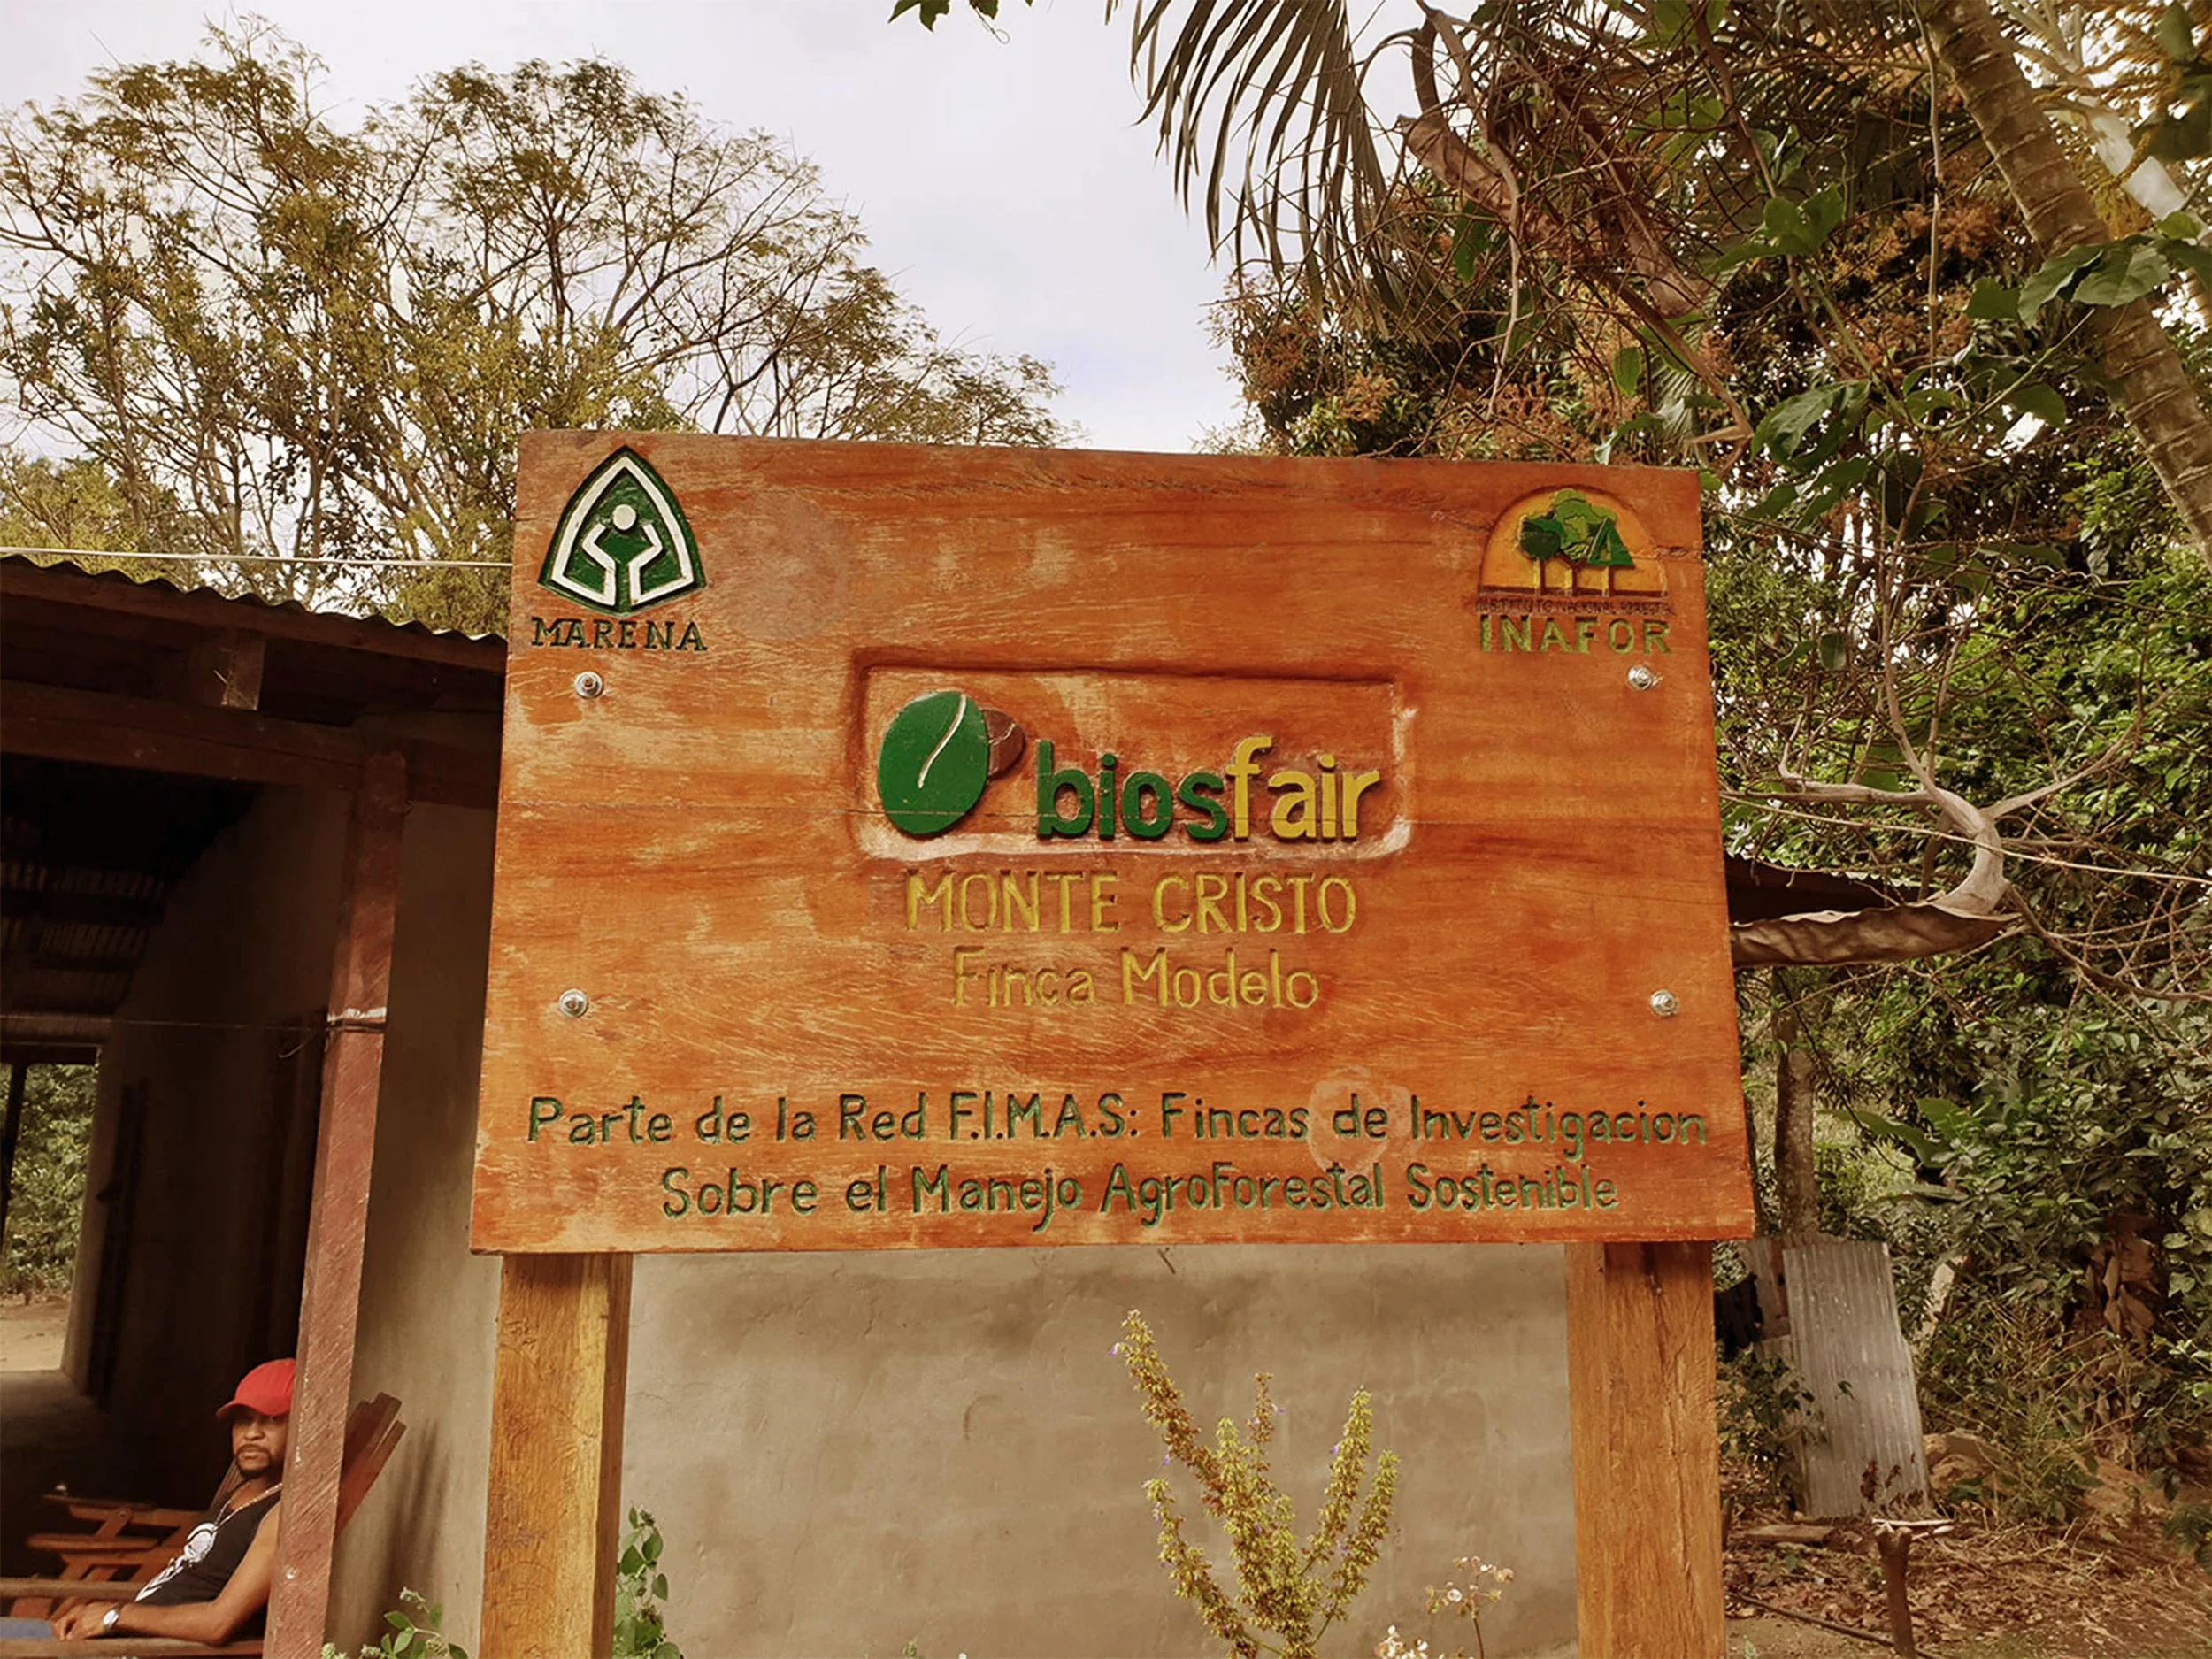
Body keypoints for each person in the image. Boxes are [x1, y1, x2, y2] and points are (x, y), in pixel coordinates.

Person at [42, 1359, 293, 1644]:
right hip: (119, 1637)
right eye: (243, 1419)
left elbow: (217, 1623)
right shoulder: (242, 1491)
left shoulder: (282, 1514)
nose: (251, 1433)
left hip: (140, 1648)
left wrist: (113, 1616)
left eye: (272, 1420)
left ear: (303, 1425)